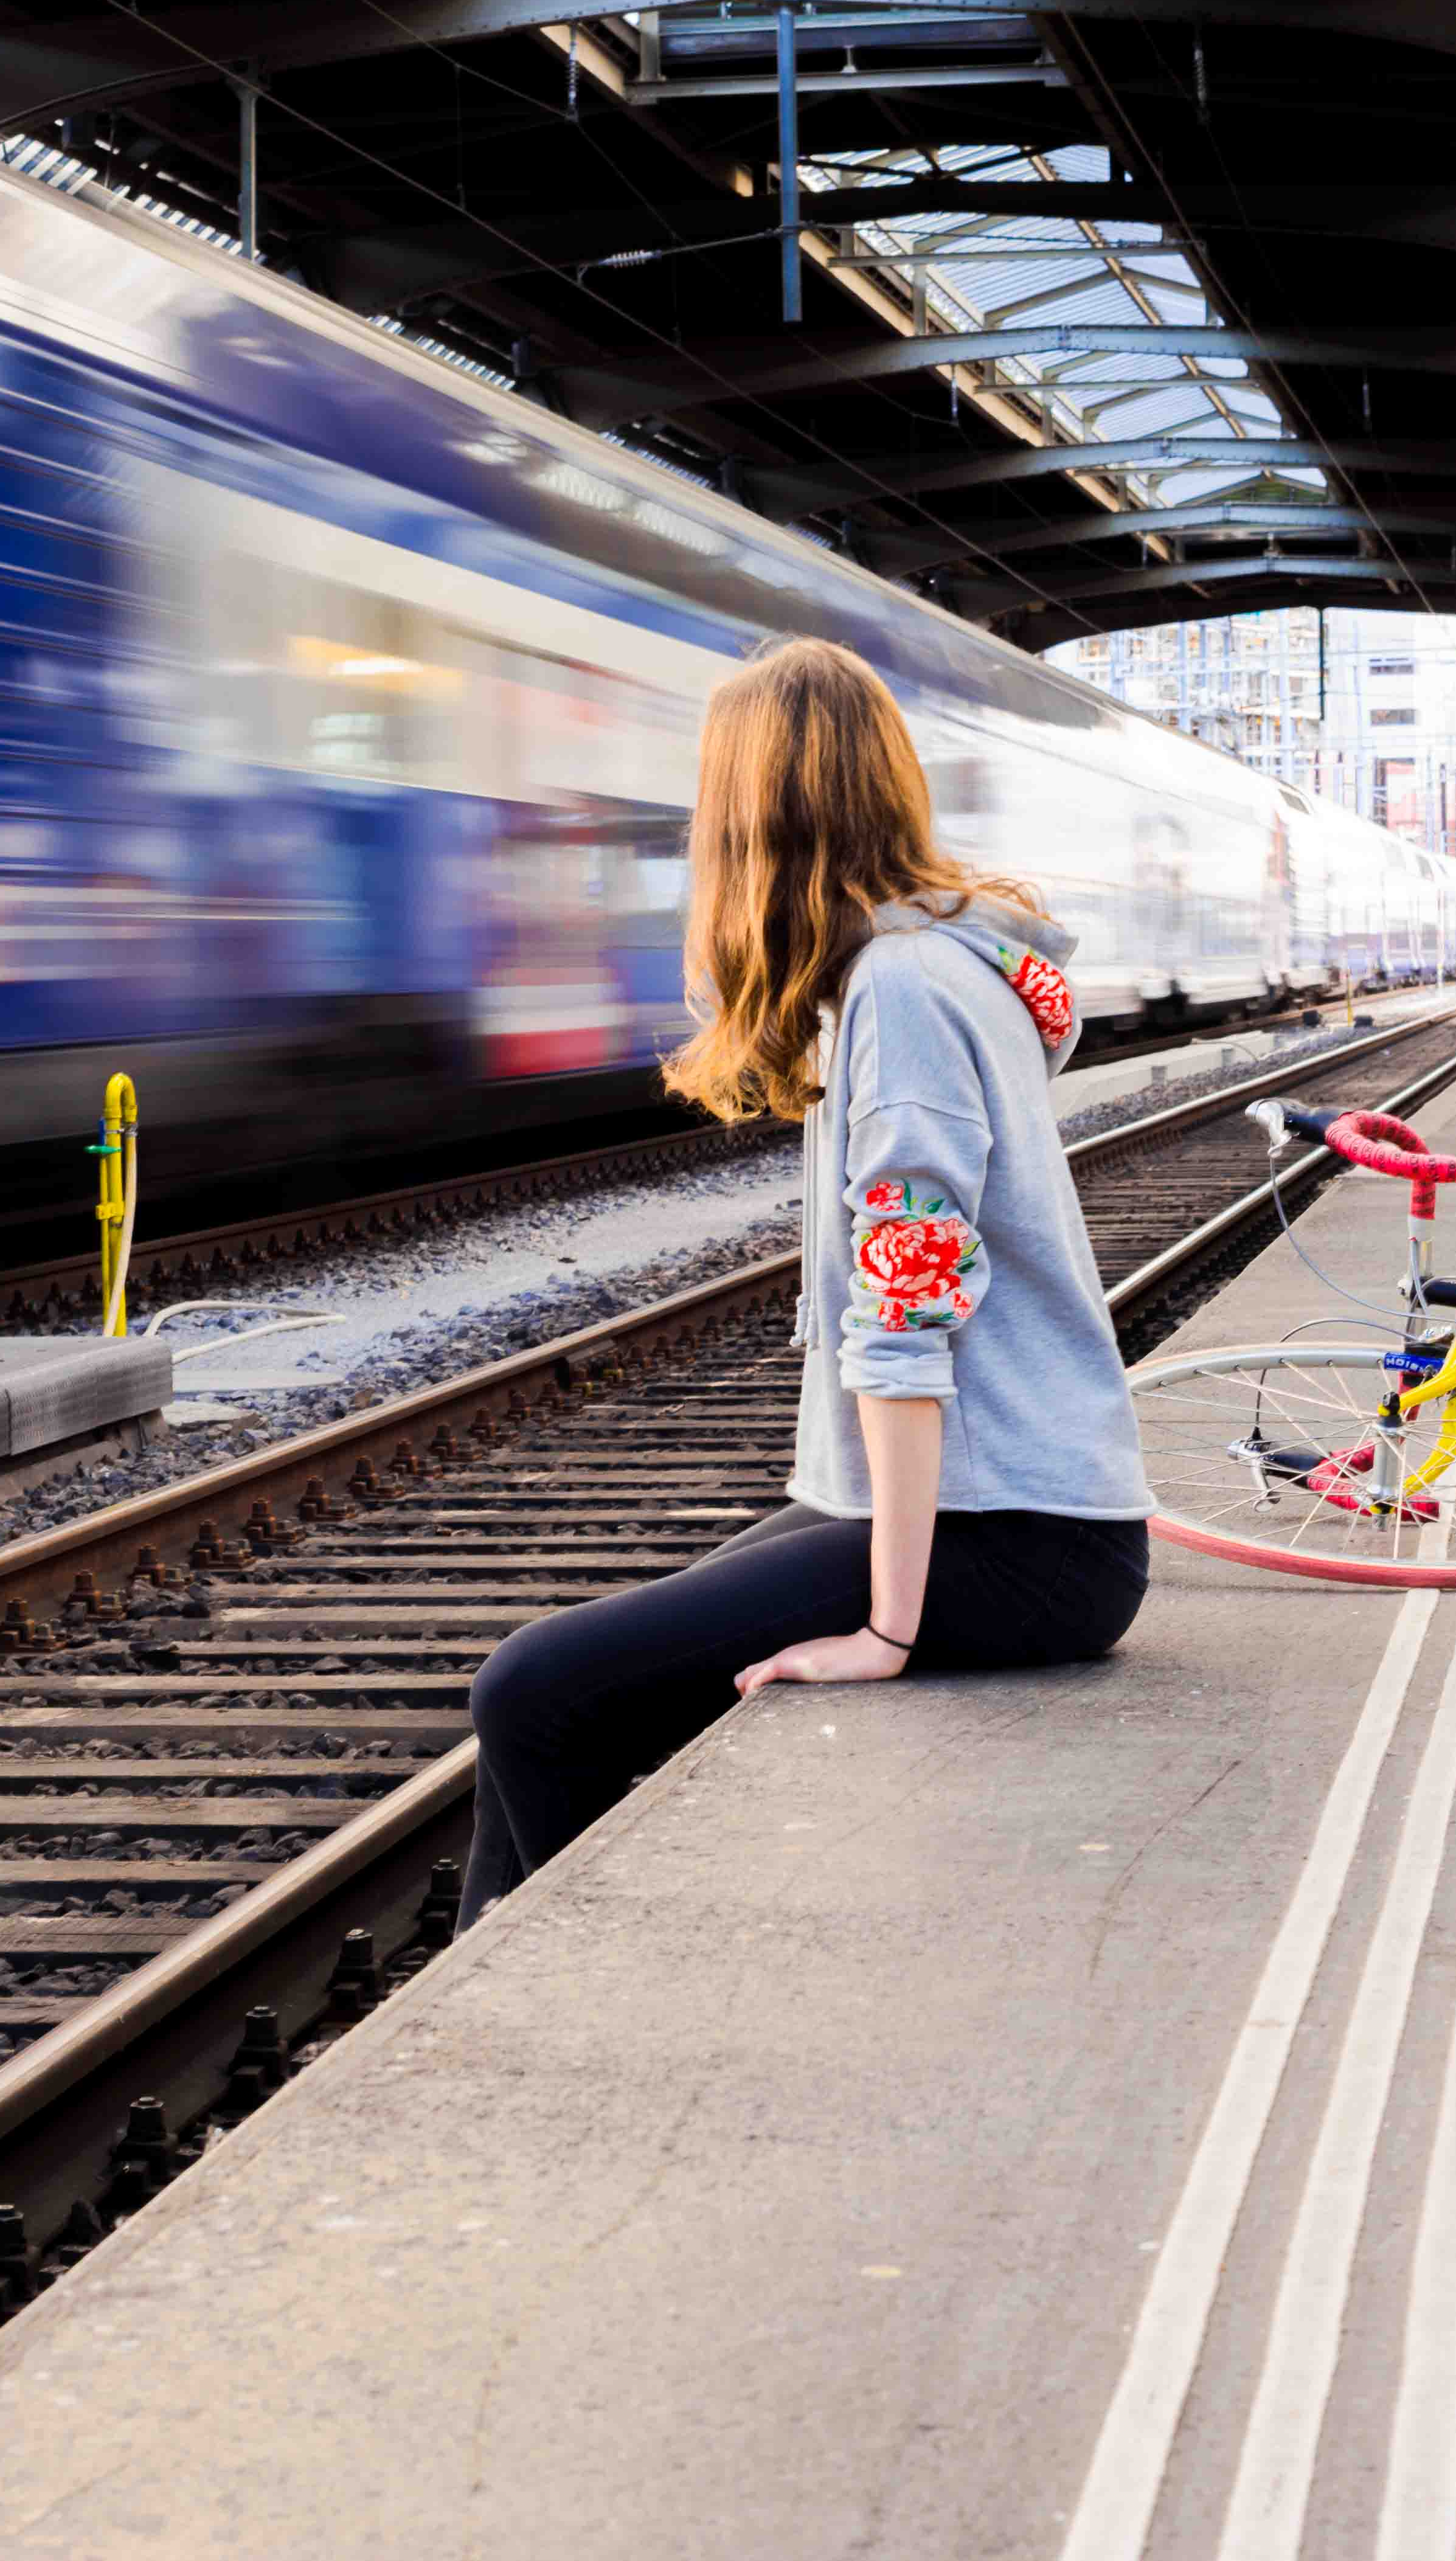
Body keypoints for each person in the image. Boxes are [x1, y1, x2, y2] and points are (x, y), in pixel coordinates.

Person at [458, 638, 1153, 1924]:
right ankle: (498, 1976)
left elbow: (905, 1309)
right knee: (585, 1682)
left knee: (532, 1690)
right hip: (1000, 1514)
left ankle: (564, 1999)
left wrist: (885, 1633)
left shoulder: (901, 990)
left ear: (757, 817)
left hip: (1017, 1538)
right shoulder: (919, 964)